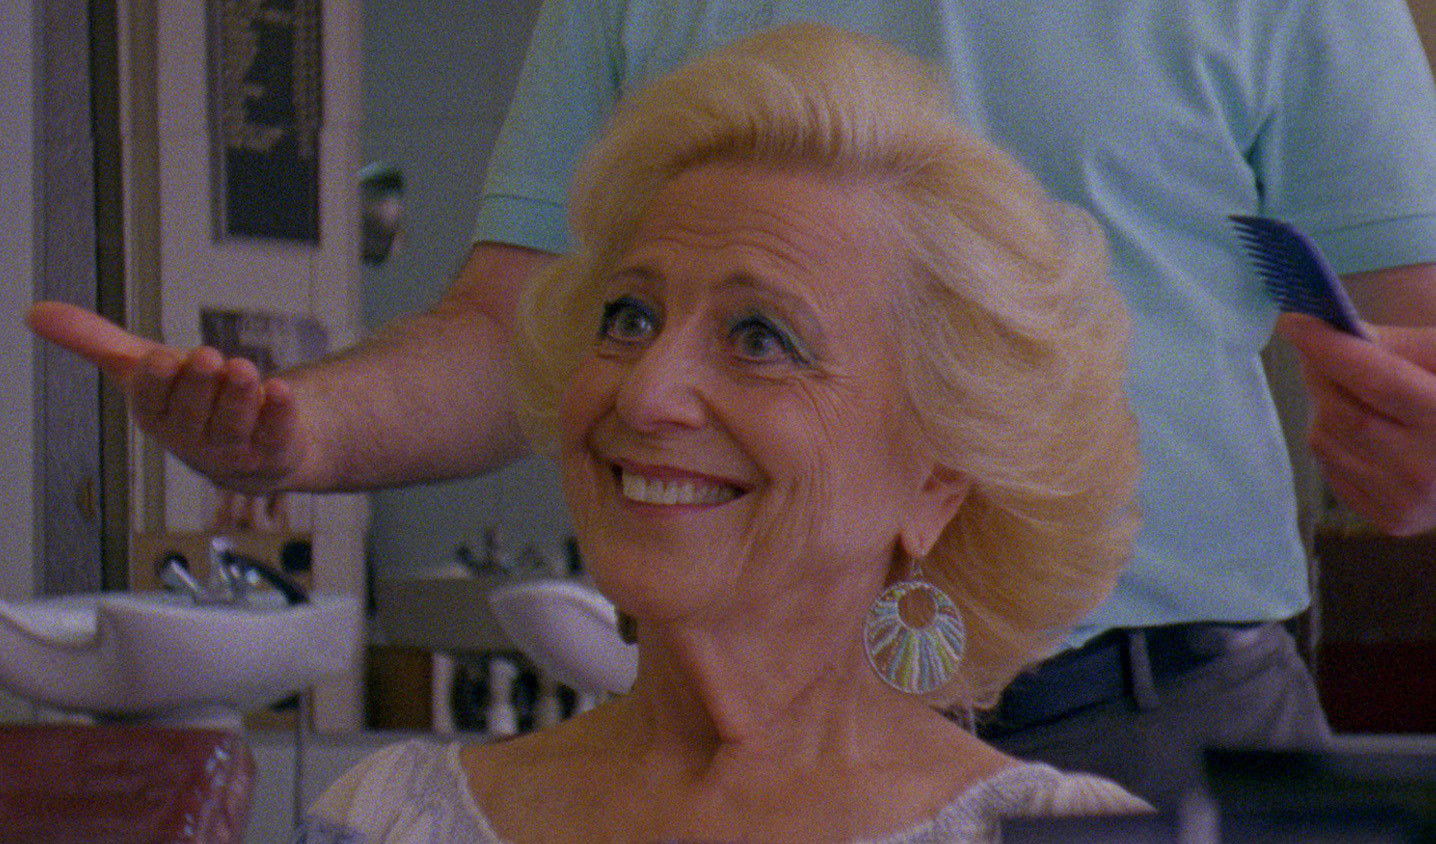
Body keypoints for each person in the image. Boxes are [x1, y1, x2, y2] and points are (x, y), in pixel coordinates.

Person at [28, 0, 1436, 807]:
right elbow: (522, 329)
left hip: (1161, 717)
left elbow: (1420, 319)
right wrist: (301, 429)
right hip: (725, 740)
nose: (658, 389)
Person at [301, 24, 1148, 842]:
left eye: (760, 339)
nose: (646, 394)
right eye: (630, 318)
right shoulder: (389, 818)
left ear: (937, 481)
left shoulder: (1053, 833)